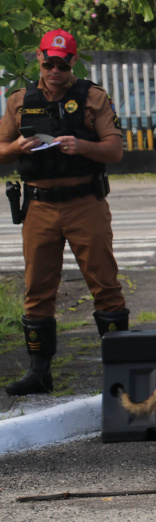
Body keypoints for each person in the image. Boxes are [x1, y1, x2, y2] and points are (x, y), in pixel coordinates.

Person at [0, 29, 129, 396]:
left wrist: (82, 145)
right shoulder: (19, 100)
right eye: (49, 63)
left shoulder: (93, 97)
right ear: (38, 58)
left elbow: (115, 150)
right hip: (39, 205)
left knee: (105, 285)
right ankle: (39, 372)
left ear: (73, 60)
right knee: (37, 288)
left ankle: (120, 370)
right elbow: (1, 149)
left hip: (84, 202)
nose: (55, 70)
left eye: (63, 63)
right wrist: (18, 148)